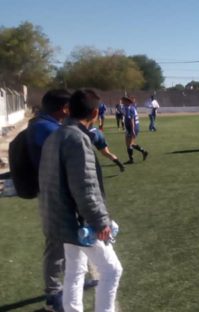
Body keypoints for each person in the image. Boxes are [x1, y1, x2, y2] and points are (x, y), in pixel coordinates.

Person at [39, 89, 122, 312]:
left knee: (75, 270)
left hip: (58, 218)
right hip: (75, 220)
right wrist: (99, 220)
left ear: (69, 110)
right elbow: (84, 186)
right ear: (95, 113)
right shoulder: (77, 139)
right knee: (112, 270)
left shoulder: (55, 136)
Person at [26, 89, 81, 312]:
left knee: (66, 243)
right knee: (56, 246)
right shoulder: (47, 129)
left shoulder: (43, 125)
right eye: (70, 107)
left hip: (55, 191)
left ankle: (68, 283)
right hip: (55, 194)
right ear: (63, 109)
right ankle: (52, 294)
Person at [122, 96, 148, 164]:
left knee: (129, 144)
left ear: (127, 102)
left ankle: (131, 160)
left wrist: (132, 130)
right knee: (129, 144)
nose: (122, 102)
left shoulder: (130, 108)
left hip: (133, 127)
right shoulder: (126, 107)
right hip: (129, 128)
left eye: (123, 100)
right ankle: (143, 152)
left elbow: (132, 120)